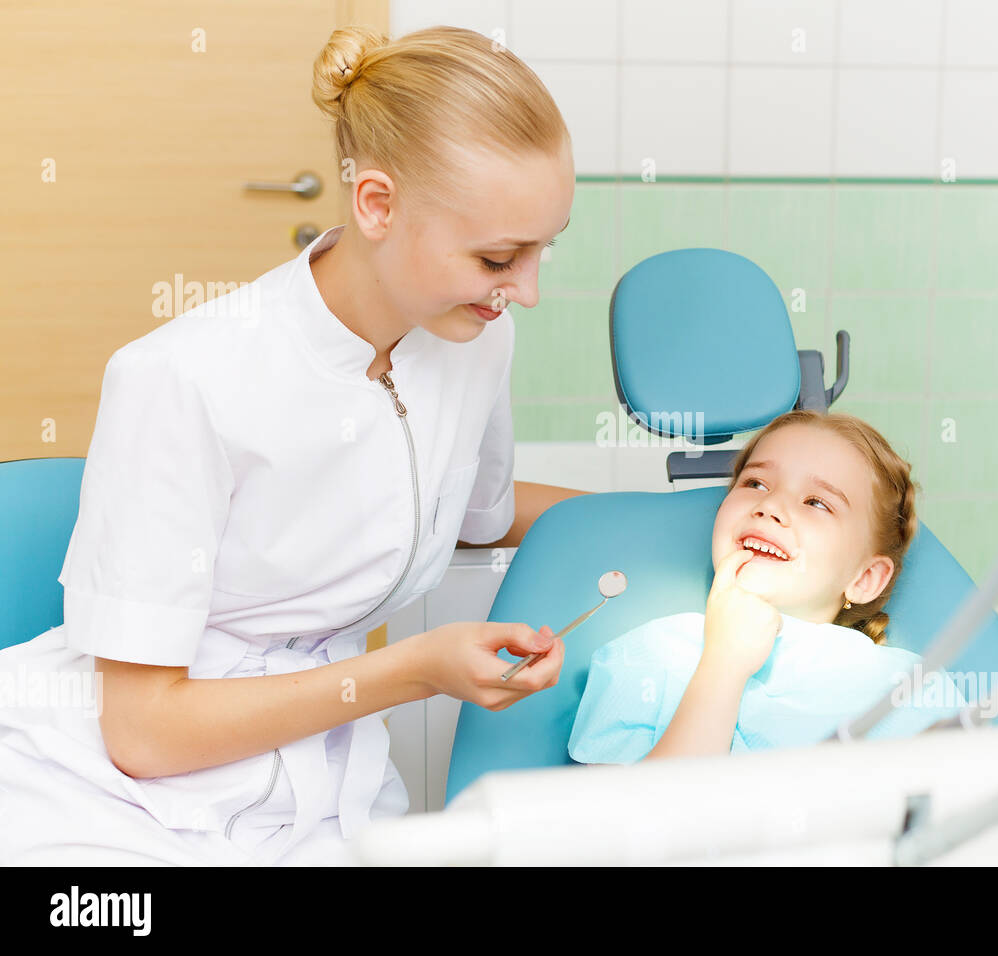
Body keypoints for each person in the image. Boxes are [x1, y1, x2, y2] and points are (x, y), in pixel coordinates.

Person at [0, 25, 586, 865]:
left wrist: (700, 512)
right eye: (499, 256)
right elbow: (141, 733)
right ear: (376, 204)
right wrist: (415, 670)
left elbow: (477, 516)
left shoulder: (471, 339)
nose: (525, 291)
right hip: (109, 794)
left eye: (543, 250)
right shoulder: (184, 379)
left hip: (321, 784)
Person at [568, 410, 967, 765]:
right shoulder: (647, 658)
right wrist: (724, 663)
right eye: (756, 483)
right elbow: (629, 825)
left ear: (863, 579)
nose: (770, 506)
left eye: (816, 503)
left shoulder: (907, 686)